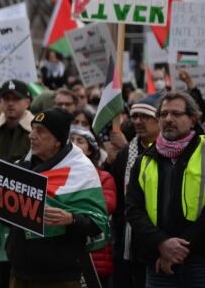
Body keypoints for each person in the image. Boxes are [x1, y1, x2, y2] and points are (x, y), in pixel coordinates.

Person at [0, 108, 108, 286]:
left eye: (40, 131)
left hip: (61, 278)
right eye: (32, 129)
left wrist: (71, 219)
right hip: (20, 274)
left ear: (57, 140)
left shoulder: (82, 171)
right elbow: (13, 219)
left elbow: (98, 223)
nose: (31, 135)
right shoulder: (20, 168)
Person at [126, 91, 205, 287]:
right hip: (158, 263)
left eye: (176, 114)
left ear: (193, 119)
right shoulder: (144, 159)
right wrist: (161, 243)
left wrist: (180, 248)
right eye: (163, 114)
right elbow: (133, 209)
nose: (168, 119)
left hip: (200, 261)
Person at [106, 97, 159, 288]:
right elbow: (117, 194)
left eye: (145, 116)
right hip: (127, 239)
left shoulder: (169, 152)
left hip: (158, 237)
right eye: (135, 116)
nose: (137, 121)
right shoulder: (126, 154)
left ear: (159, 119)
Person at [70, 125, 117, 287]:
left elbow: (106, 205)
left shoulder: (103, 177)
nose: (74, 144)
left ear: (90, 150)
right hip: (67, 257)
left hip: (95, 255)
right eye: (70, 140)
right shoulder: (59, 176)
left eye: (80, 141)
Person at [0, 79, 34, 163]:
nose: (10, 103)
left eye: (16, 99)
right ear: (1, 102)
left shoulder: (36, 134)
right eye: (6, 99)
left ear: (27, 102)